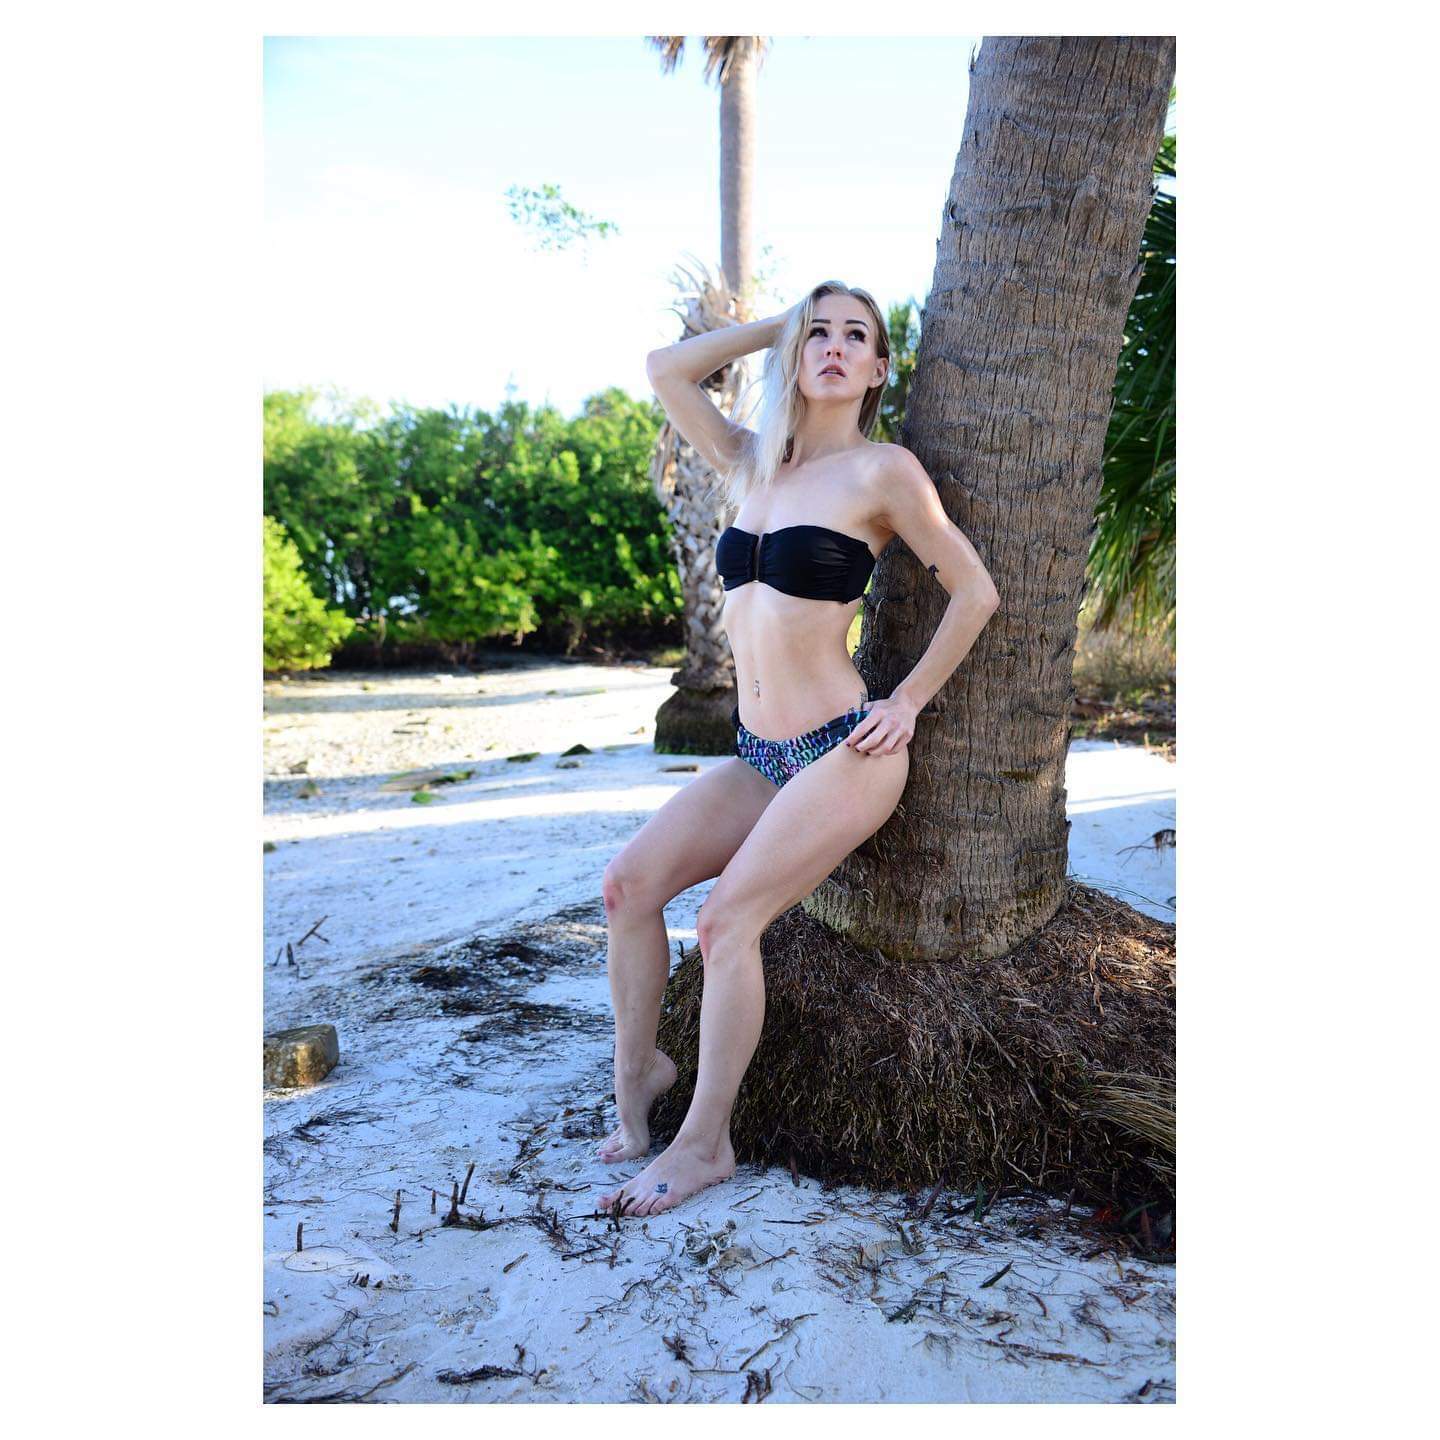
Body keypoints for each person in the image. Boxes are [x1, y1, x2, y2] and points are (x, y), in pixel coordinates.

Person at [595, 281, 1001, 1217]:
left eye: (855, 335)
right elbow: (666, 370)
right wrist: (774, 326)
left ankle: (706, 1144)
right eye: (818, 333)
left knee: (725, 924)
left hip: (843, 752)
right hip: (758, 755)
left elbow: (975, 592)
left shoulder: (882, 472)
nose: (834, 346)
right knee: (626, 888)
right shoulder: (750, 463)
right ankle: (641, 1071)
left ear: (878, 367)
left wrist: (908, 700)